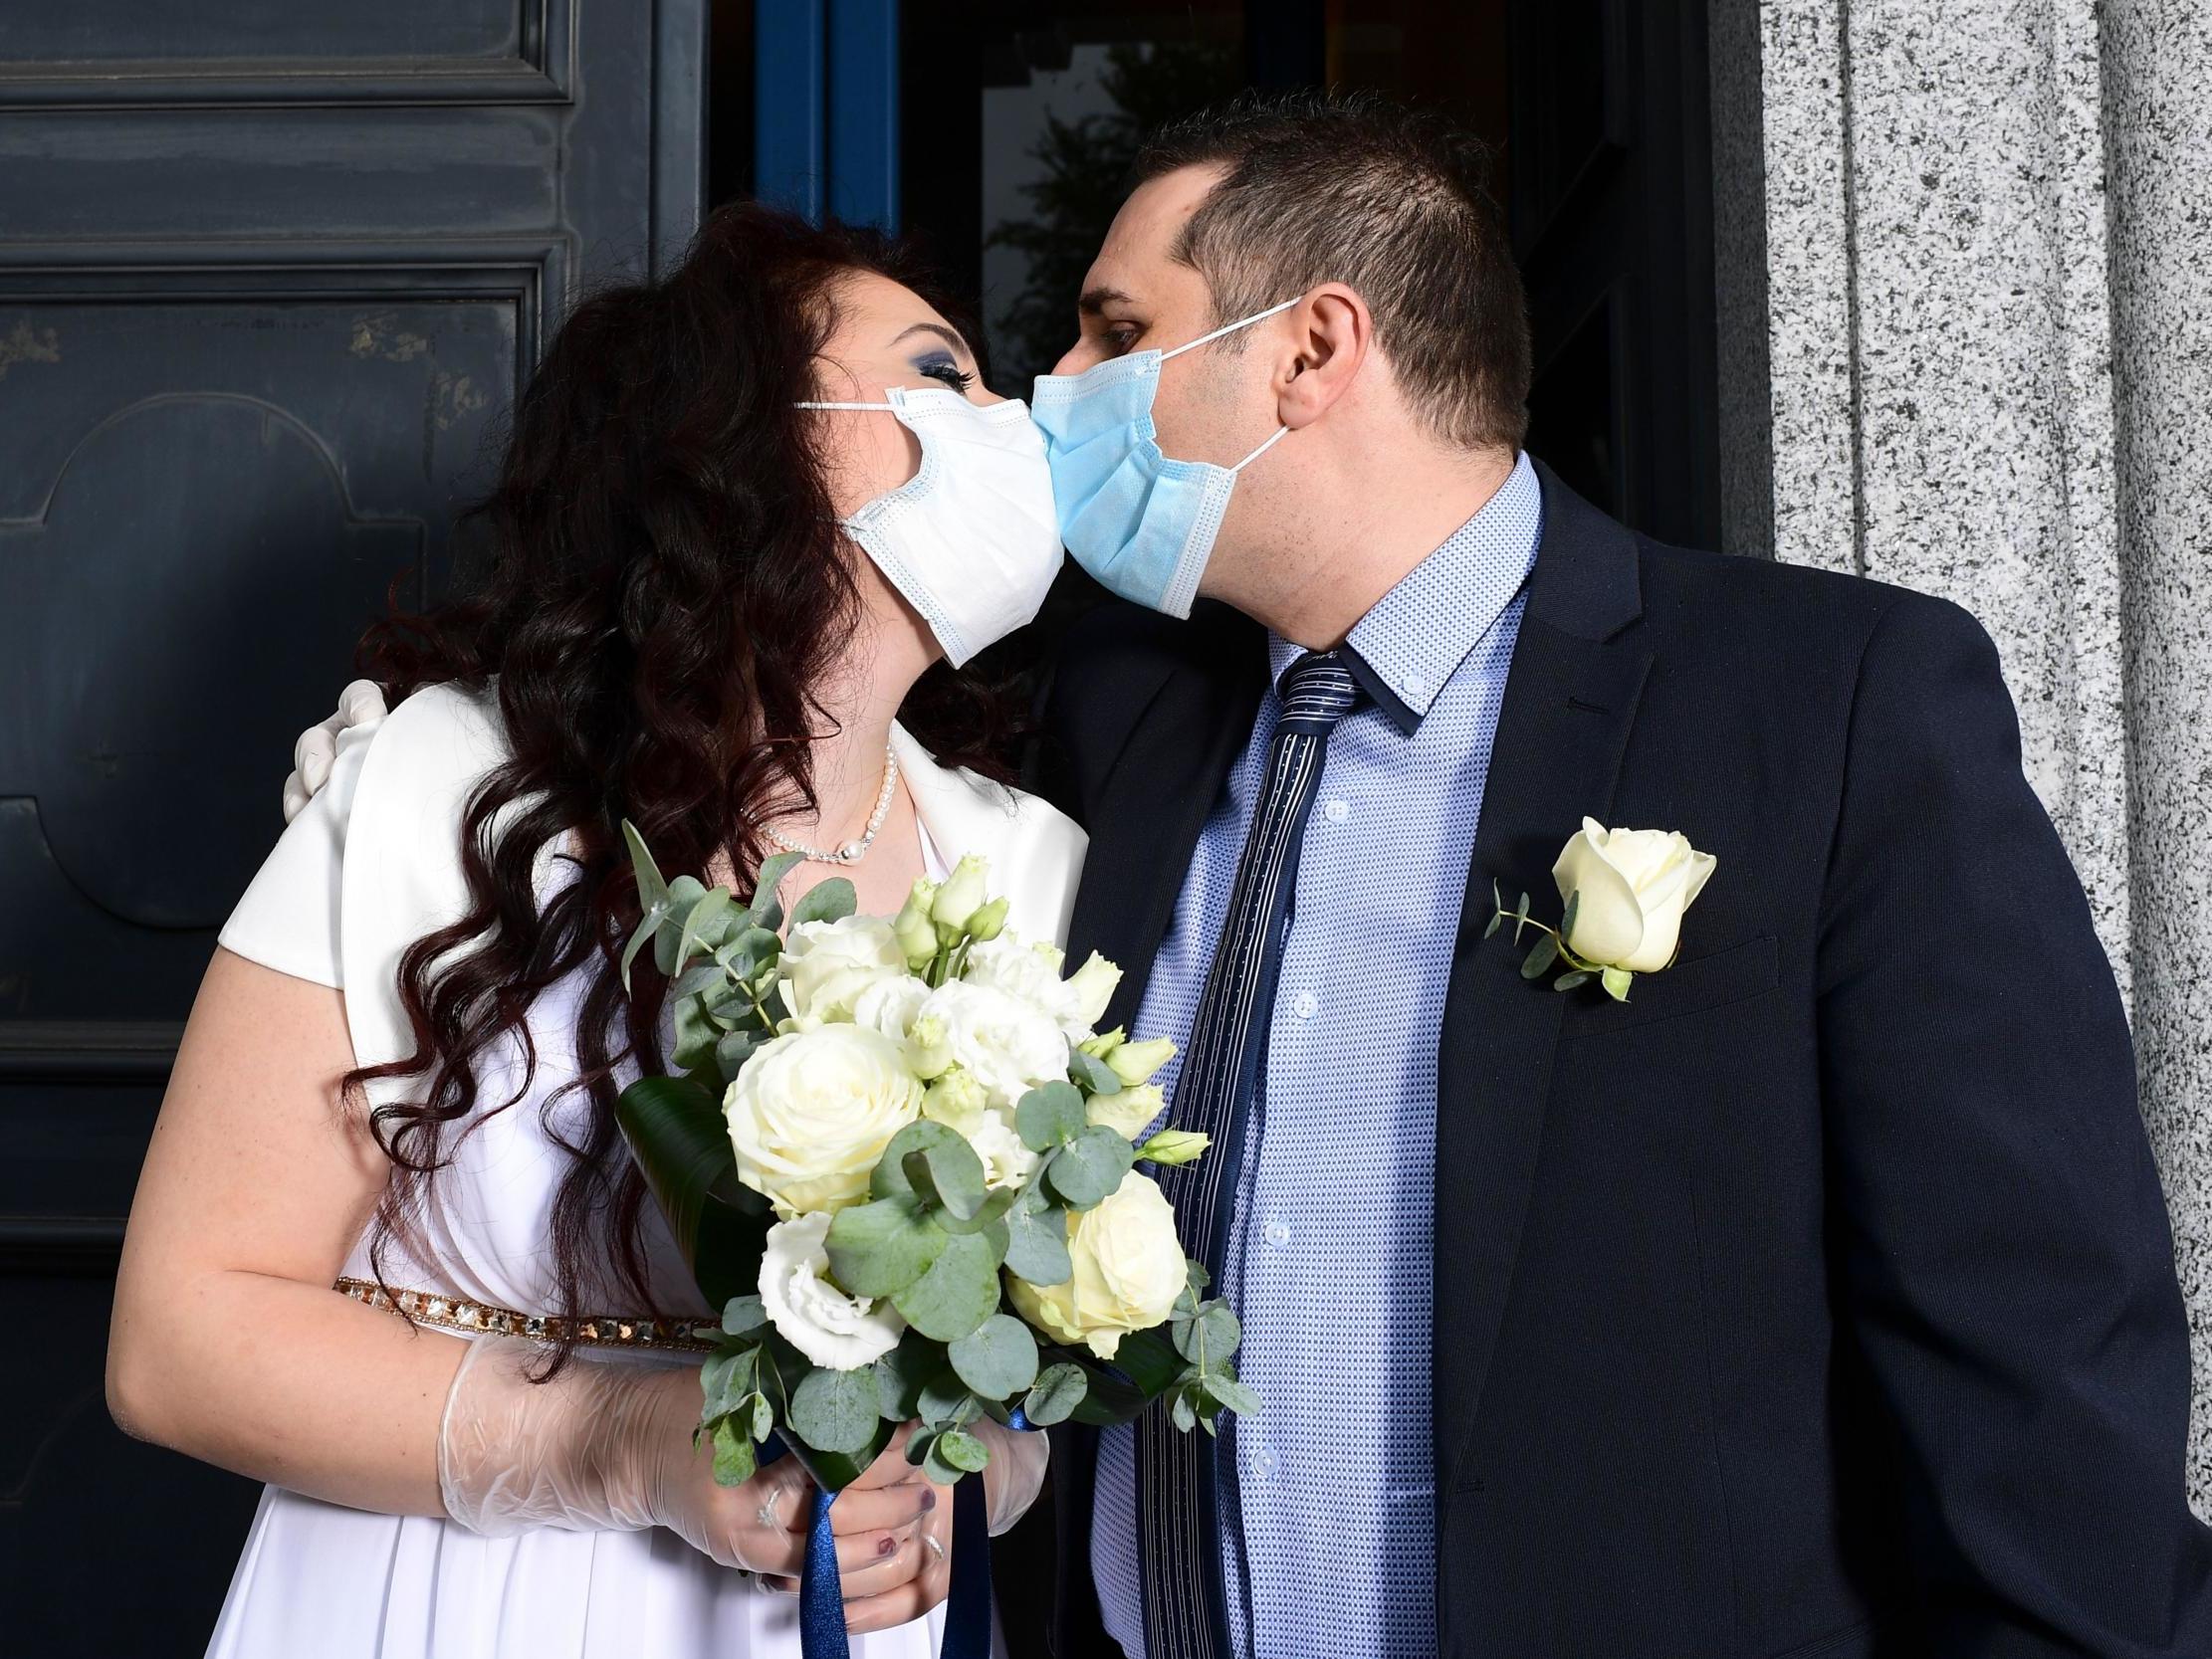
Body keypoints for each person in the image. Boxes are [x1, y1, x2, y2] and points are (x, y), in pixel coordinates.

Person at [277, 92, 2212, 1659]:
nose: (1053, 391)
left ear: (1308, 349)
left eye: (1114, 330)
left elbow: (2033, 1356)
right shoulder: (1114, 736)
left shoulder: (1822, 704)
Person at [106, 201, 1070, 1659]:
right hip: (460, 1597)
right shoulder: (445, 786)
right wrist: (613, 1449)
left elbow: (1025, 1383)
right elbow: (176, 1343)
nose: (1013, 422)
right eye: (944, 374)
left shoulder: (1028, 861)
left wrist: (966, 1476)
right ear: (750, 436)